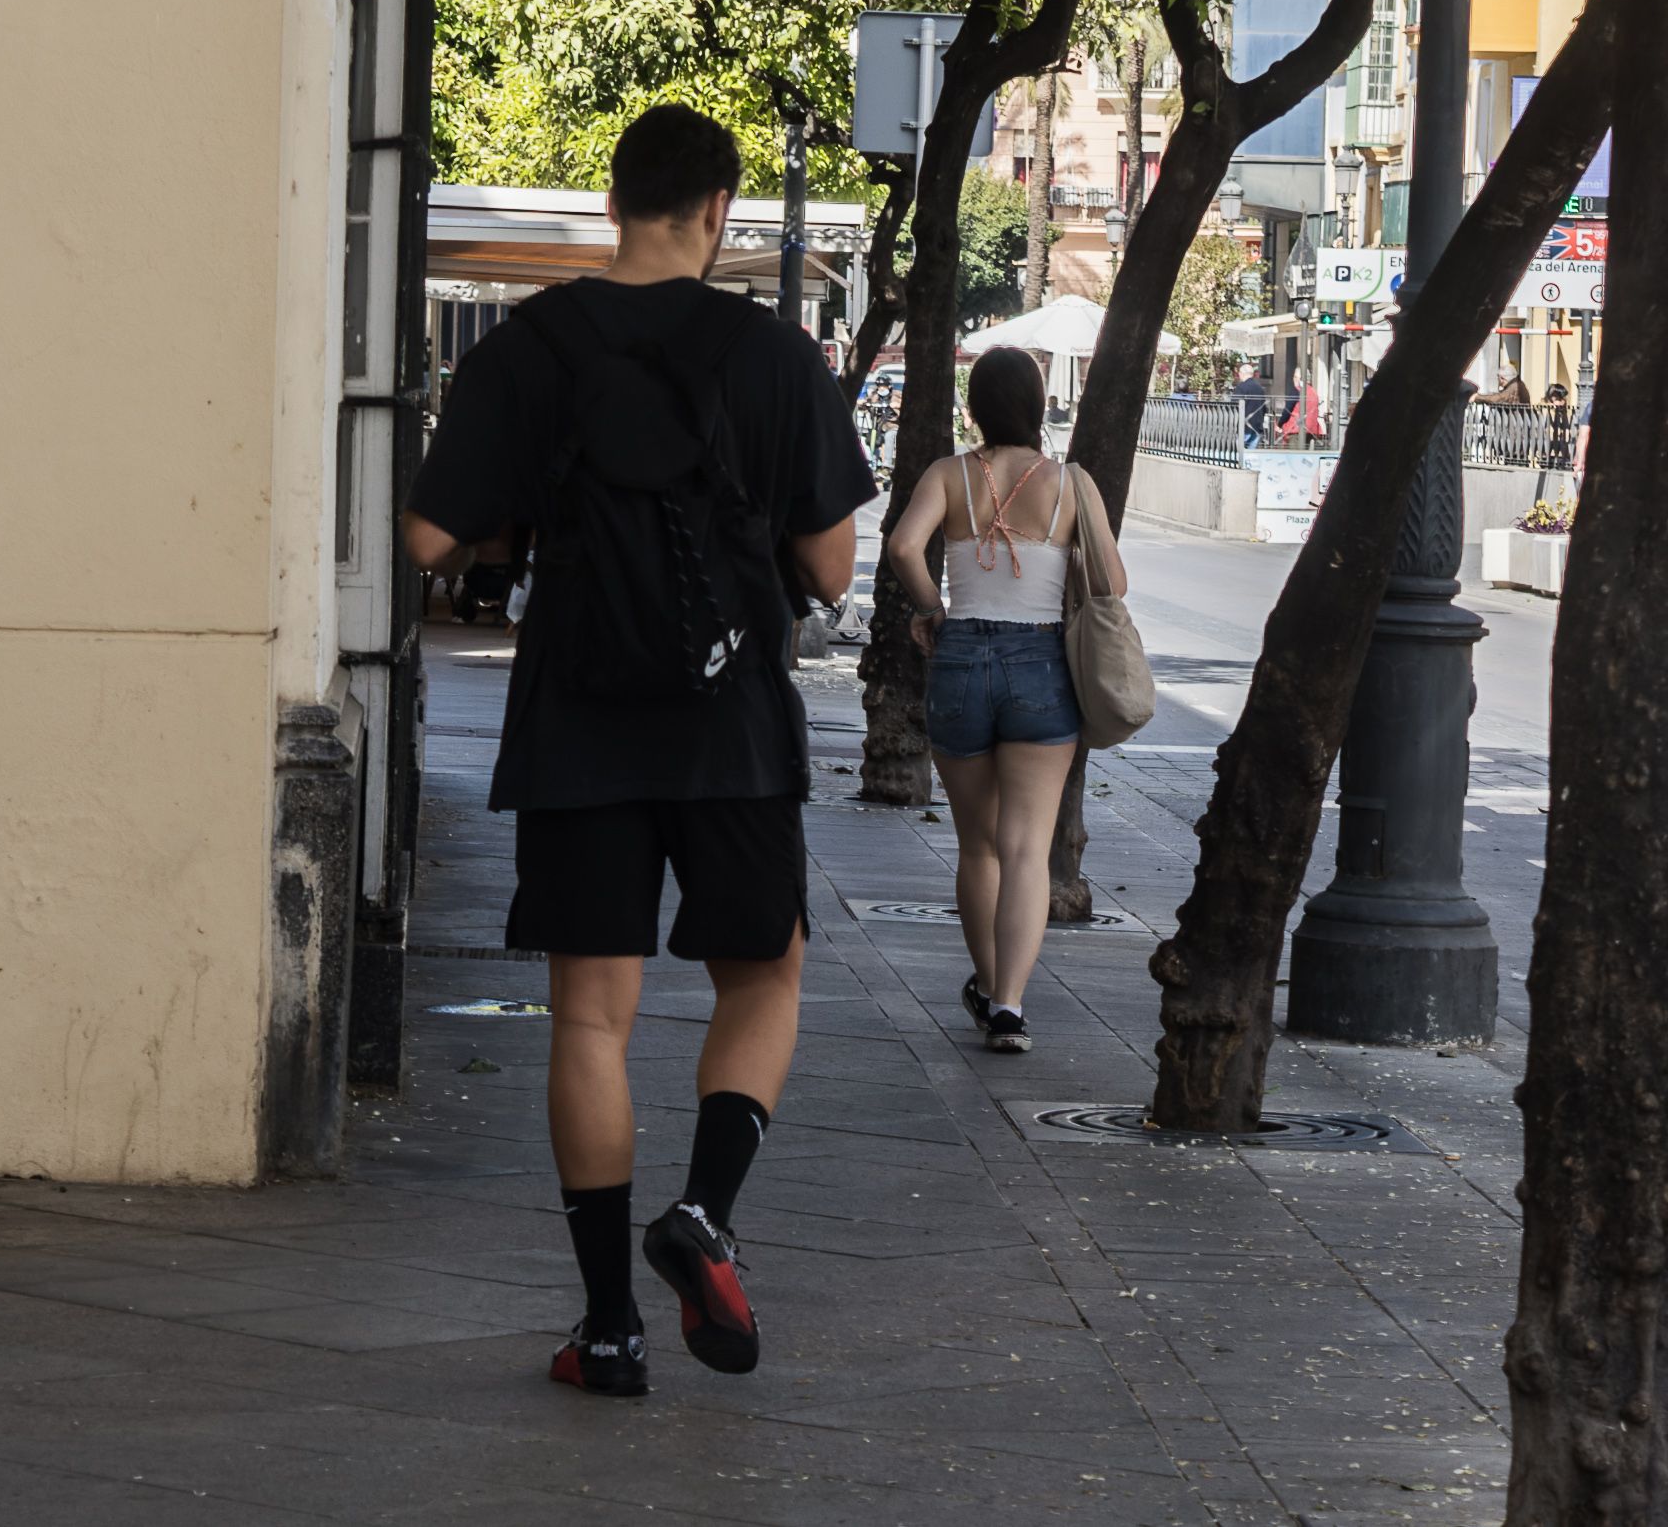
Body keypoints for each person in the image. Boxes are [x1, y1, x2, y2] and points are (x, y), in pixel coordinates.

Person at [399, 104, 870, 1399]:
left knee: (590, 1018)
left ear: (613, 203)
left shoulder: (529, 348)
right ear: (716, 211)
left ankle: (605, 1328)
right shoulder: (772, 357)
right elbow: (830, 565)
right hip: (729, 723)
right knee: (761, 975)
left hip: (579, 716)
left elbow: (429, 543)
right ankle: (705, 1213)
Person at [882, 346, 1128, 1059]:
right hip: (1041, 664)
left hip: (959, 659)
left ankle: (988, 988)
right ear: (1038, 402)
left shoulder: (949, 473)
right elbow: (1112, 579)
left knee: (977, 845)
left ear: (974, 407)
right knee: (1027, 846)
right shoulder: (1068, 483)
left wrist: (930, 606)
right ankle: (1011, 1007)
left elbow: (903, 545)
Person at [1278, 368, 1324, 447]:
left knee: (1294, 456)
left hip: (1295, 429)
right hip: (1311, 429)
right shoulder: (1313, 392)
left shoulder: (1297, 391)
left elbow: (1287, 411)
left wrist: (1279, 424)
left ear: (1299, 378)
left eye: (1295, 377)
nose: (1294, 380)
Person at [1235, 364, 1269, 449]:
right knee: (1252, 455)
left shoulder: (1241, 387)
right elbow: (1264, 407)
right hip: (1257, 427)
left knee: (1240, 455)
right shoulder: (1259, 388)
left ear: (1242, 374)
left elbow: (1235, 405)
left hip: (1244, 426)